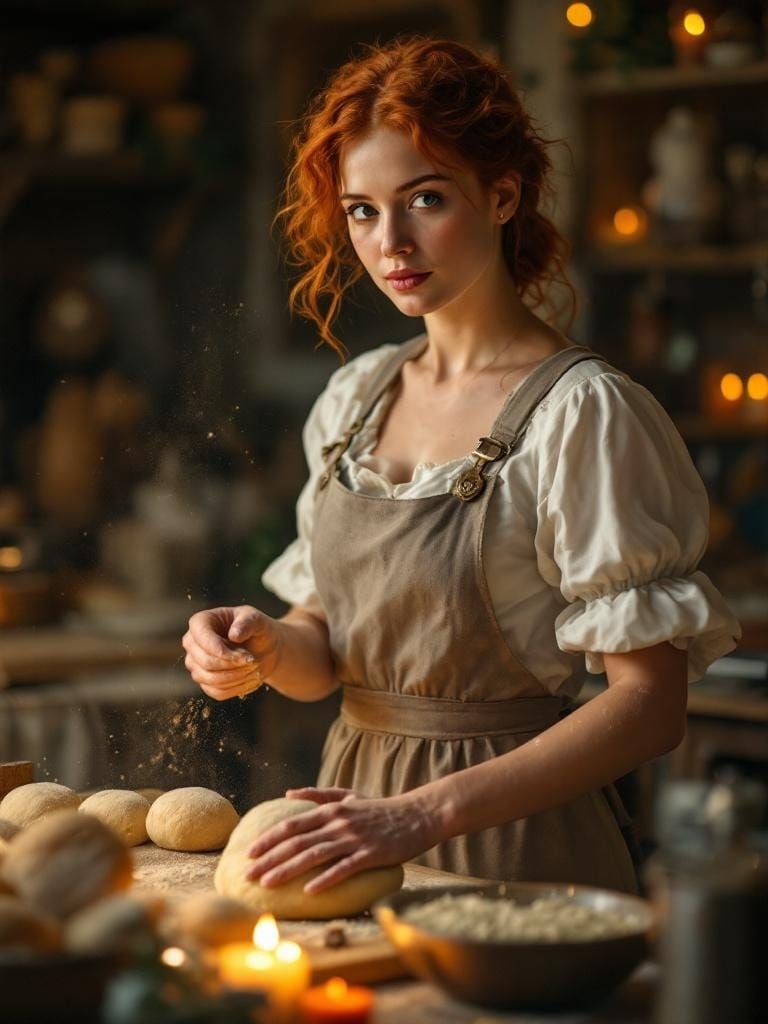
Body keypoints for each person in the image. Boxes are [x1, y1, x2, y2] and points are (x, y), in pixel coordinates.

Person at [182, 35, 742, 897]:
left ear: (503, 193)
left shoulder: (583, 414)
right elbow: (323, 651)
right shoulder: (357, 399)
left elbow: (649, 708)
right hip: (350, 837)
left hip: (519, 854)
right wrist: (263, 646)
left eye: (426, 198)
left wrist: (421, 814)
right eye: (363, 210)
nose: (391, 242)